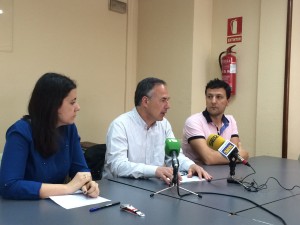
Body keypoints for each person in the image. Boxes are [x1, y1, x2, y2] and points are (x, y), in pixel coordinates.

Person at [0, 73, 100, 200]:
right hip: (23, 208)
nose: (78, 107)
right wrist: (67, 188)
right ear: (53, 105)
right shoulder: (20, 132)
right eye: (72, 102)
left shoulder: (69, 129)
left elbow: (80, 169)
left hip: (56, 205)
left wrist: (88, 184)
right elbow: (9, 185)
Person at [104, 77, 212, 185]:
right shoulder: (120, 125)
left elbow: (174, 156)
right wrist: (155, 171)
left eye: (167, 100)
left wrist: (190, 165)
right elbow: (117, 166)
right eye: (163, 100)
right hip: (121, 188)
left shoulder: (164, 124)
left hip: (152, 187)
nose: (168, 106)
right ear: (145, 101)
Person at [182, 78, 249, 165]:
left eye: (219, 97)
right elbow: (209, 158)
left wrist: (237, 155)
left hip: (224, 172)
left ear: (227, 102)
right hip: (197, 174)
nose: (213, 101)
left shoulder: (231, 120)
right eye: (209, 97)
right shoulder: (193, 121)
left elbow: (234, 150)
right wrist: (240, 155)